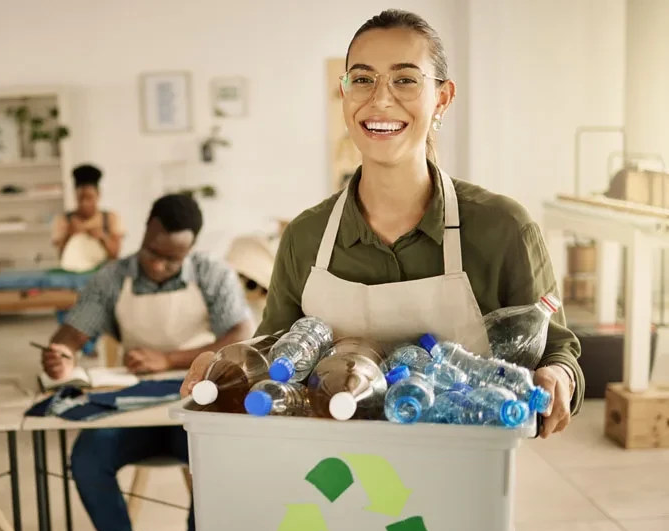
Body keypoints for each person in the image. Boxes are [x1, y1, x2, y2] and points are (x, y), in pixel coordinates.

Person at [182, 8, 584, 439]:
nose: (380, 99)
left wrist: (558, 376)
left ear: (442, 98)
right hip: (328, 476)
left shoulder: (503, 228)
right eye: (362, 79)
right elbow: (273, 358)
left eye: (405, 79)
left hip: (464, 471)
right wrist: (222, 365)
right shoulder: (307, 237)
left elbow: (557, 349)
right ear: (345, 94)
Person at [41, 193, 252, 531]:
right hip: (131, 411)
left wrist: (169, 359)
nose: (157, 265)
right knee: (87, 458)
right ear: (145, 232)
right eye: (152, 252)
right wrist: (61, 354)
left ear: (190, 249)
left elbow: (240, 335)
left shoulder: (210, 273)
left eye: (171, 260)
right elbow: (70, 334)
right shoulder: (110, 278)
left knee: (218, 460)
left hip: (192, 407)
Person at [51, 163, 124, 271]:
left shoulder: (110, 218)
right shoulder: (64, 220)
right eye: (81, 198)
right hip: (74, 274)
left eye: (89, 198)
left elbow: (115, 254)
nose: (85, 203)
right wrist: (69, 234)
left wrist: (102, 237)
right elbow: (62, 256)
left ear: (98, 195)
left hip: (104, 274)